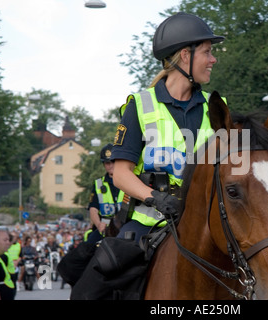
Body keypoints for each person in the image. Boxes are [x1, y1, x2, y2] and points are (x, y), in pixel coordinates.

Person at [111, 12, 224, 244]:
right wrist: (155, 199)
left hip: (205, 227)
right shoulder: (139, 105)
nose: (213, 59)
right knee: (108, 268)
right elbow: (121, 175)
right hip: (148, 225)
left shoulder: (218, 107)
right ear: (185, 55)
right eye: (207, 52)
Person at [87, 143, 127, 243]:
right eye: (107, 163)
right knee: (86, 248)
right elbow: (93, 209)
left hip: (125, 225)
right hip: (105, 227)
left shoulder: (128, 182)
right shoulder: (98, 184)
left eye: (113, 162)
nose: (111, 165)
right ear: (104, 164)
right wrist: (99, 224)